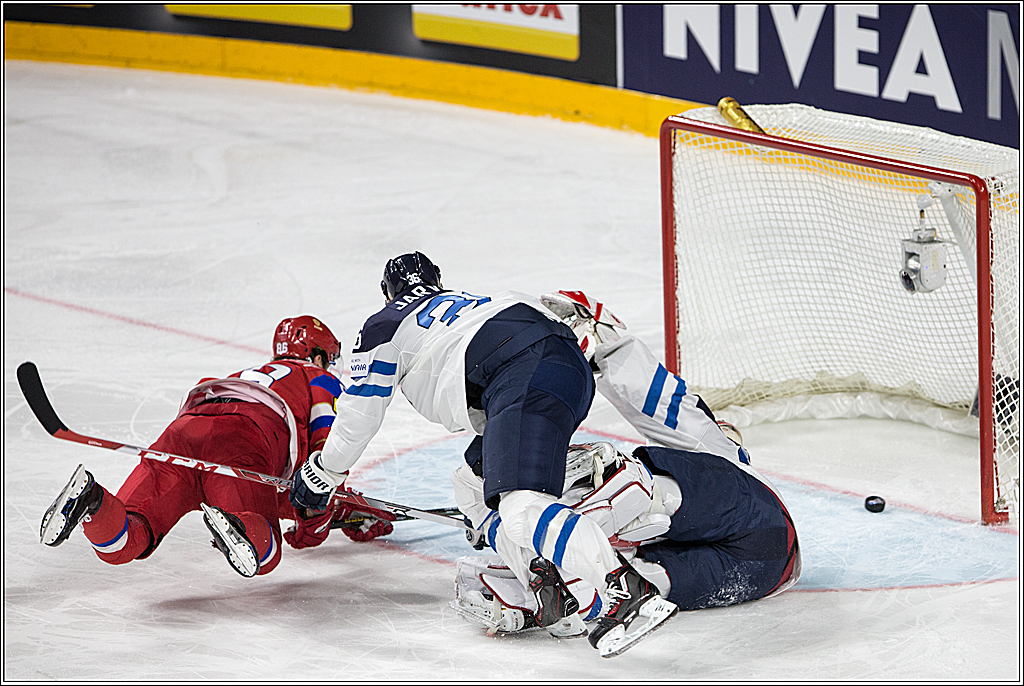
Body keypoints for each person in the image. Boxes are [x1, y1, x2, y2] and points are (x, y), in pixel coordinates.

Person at [290, 253, 667, 647]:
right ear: (437, 281)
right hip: (561, 368)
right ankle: (547, 588)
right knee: (471, 485)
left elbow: (359, 415)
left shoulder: (384, 324)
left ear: (388, 292)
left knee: (522, 508)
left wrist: (324, 473)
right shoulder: (473, 302)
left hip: (524, 375)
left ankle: (626, 591)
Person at [449, 292, 801, 656]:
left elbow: (657, 398)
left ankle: (534, 540)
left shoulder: (723, 455)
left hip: (760, 522)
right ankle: (548, 587)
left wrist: (600, 337)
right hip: (765, 570)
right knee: (620, 572)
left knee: (602, 491)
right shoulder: (722, 462)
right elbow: (656, 399)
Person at [40, 315, 396, 578]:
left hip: (182, 434)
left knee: (128, 541)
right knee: (265, 553)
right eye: (328, 359)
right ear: (317, 355)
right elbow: (325, 455)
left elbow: (282, 491)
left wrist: (348, 512)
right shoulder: (318, 377)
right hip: (243, 438)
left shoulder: (248, 374)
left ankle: (91, 500)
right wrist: (314, 526)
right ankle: (237, 525)